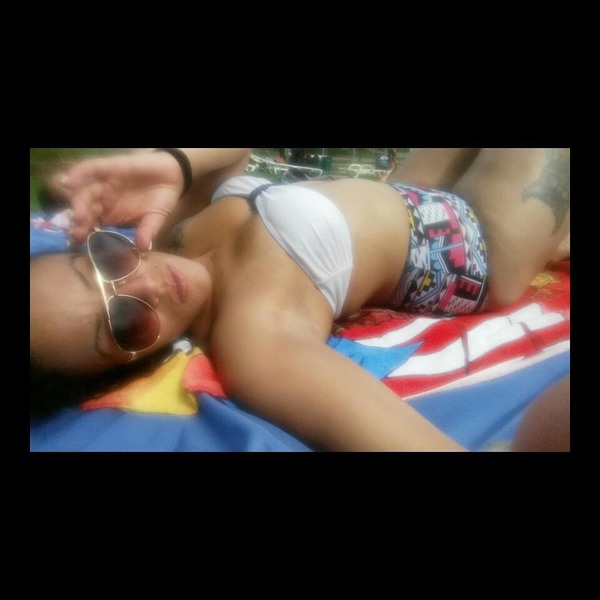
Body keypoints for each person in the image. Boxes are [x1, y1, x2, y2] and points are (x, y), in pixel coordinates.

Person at [30, 148, 570, 451]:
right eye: (123, 320)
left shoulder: (172, 232)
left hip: (410, 190)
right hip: (478, 242)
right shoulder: (255, 339)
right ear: (130, 365)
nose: (146, 285)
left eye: (104, 263)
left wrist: (177, 162)